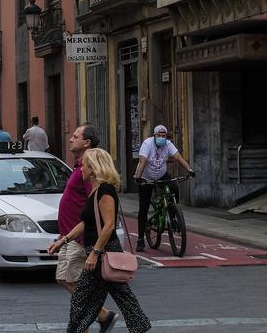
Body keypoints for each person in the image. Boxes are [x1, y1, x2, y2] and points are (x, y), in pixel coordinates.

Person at [48, 149, 151, 333]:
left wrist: (95, 253)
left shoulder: (105, 191)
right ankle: (140, 326)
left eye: (85, 165)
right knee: (121, 295)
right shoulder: (95, 191)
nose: (81, 170)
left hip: (103, 250)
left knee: (82, 297)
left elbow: (109, 225)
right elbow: (85, 223)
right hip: (98, 250)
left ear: (94, 168)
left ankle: (76, 329)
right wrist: (63, 240)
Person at [57, 125, 115, 328]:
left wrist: (94, 249)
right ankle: (102, 315)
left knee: (77, 286)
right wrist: (63, 237)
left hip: (81, 239)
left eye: (75, 136)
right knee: (65, 279)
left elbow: (97, 206)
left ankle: (102, 315)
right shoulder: (79, 166)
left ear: (87, 142)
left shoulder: (88, 171)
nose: (70, 139)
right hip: (70, 235)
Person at [133, 125, 195, 253]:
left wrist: (190, 170)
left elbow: (179, 158)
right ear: (154, 135)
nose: (161, 138)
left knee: (174, 187)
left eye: (164, 136)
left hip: (161, 175)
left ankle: (173, 215)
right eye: (159, 136)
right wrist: (138, 178)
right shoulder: (147, 144)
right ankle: (140, 239)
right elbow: (142, 161)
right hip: (146, 176)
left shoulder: (168, 144)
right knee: (143, 207)